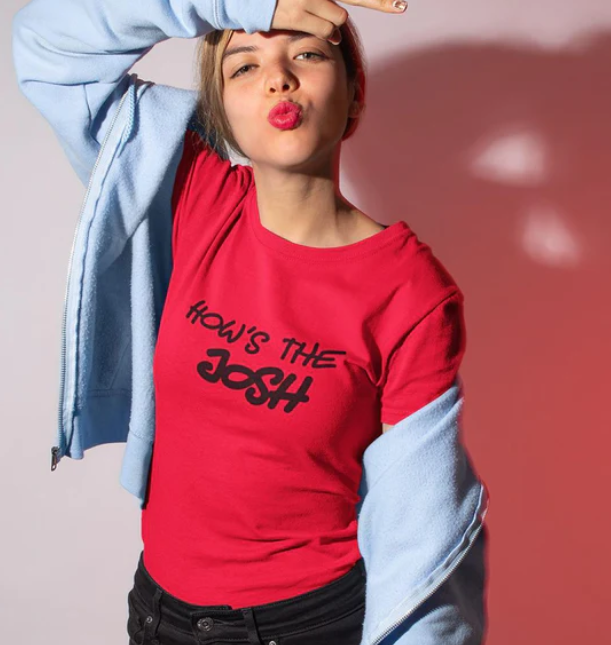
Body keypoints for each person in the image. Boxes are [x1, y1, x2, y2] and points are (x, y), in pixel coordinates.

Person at [12, 1, 490, 644]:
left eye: (307, 54)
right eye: (244, 66)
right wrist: (244, 1)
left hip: (307, 625)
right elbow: (46, 44)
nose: (278, 79)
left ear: (354, 95)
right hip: (156, 613)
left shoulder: (410, 290)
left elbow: (423, 523)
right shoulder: (192, 193)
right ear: (221, 112)